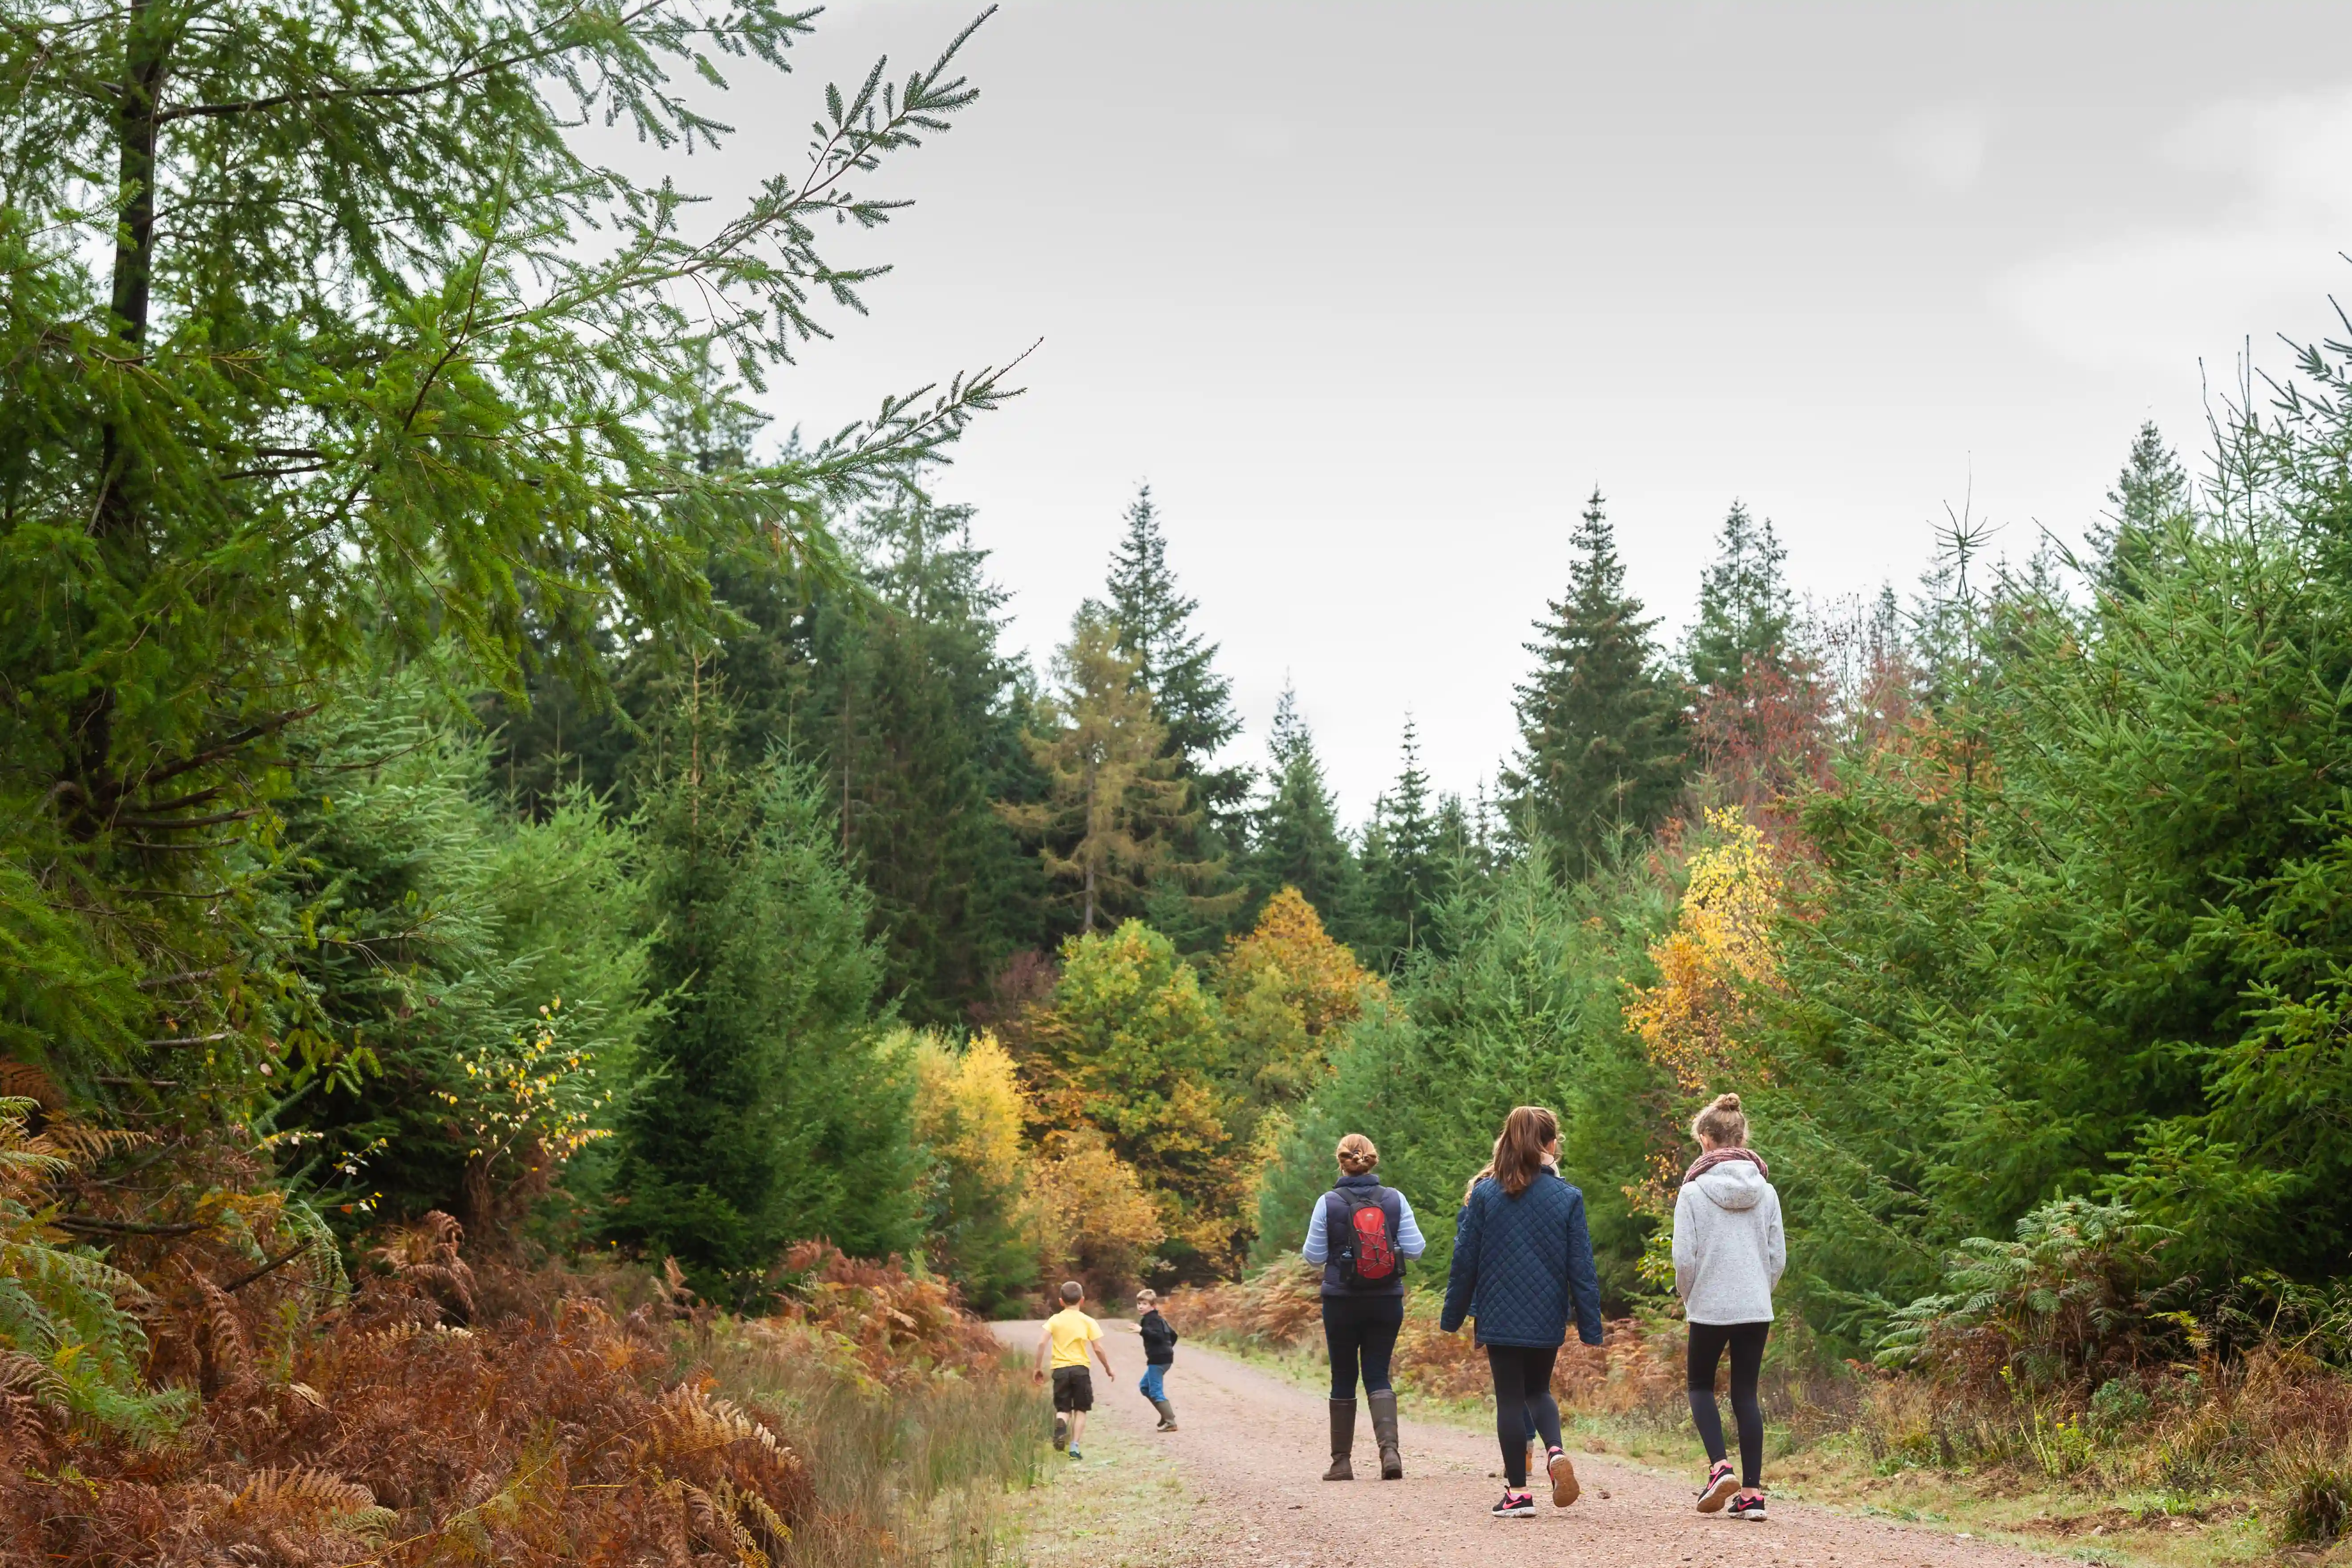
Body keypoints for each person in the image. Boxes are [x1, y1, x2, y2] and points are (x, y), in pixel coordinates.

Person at [1440, 1105, 1604, 1519]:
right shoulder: (1567, 1197)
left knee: (1510, 1399)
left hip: (1498, 1312)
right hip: (1547, 1311)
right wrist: (1590, 1326)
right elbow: (1581, 1266)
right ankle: (1554, 1451)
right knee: (1539, 1391)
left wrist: (1453, 1315)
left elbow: (1465, 1260)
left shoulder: (1485, 1193)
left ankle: (1517, 1494)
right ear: (1549, 1145)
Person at [1673, 1091, 1785, 1522]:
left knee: (1700, 1387)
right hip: (1756, 1305)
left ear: (1705, 1139)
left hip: (1710, 1305)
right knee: (1746, 1395)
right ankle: (1753, 1495)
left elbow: (1685, 1259)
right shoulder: (1767, 1191)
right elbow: (1778, 1257)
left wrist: (1690, 1295)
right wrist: (1760, 1289)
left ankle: (1720, 1466)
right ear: (1741, 1136)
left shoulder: (1693, 1193)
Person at [1302, 1132, 1426, 1481]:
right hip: (1386, 1300)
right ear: (1373, 1159)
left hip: (1341, 1301)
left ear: (1340, 1162)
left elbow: (1312, 1257)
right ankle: (1390, 1453)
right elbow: (1416, 1250)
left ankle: (1342, 1463)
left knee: (1343, 1376)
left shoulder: (1328, 1202)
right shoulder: (1394, 1199)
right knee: (1378, 1373)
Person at [1035, 1280, 1115, 1461]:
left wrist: (1037, 1368)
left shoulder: (1055, 1320)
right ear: (1082, 1300)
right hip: (1080, 1370)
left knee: (1063, 1408)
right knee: (1081, 1409)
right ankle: (1074, 1447)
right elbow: (1098, 1349)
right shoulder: (1088, 1321)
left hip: (1060, 1370)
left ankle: (1061, 1423)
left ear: (1061, 1301)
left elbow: (1041, 1343)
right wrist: (1108, 1368)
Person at [1136, 1287, 1180, 1431]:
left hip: (1159, 1360)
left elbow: (1159, 1337)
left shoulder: (1152, 1320)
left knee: (1155, 1391)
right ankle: (1165, 1415)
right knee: (1144, 1387)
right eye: (1139, 1303)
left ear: (1153, 1306)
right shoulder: (1157, 1319)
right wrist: (1167, 1350)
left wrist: (1142, 1331)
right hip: (1163, 1358)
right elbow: (1173, 1336)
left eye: (1145, 1304)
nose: (1141, 1307)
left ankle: (1170, 1422)